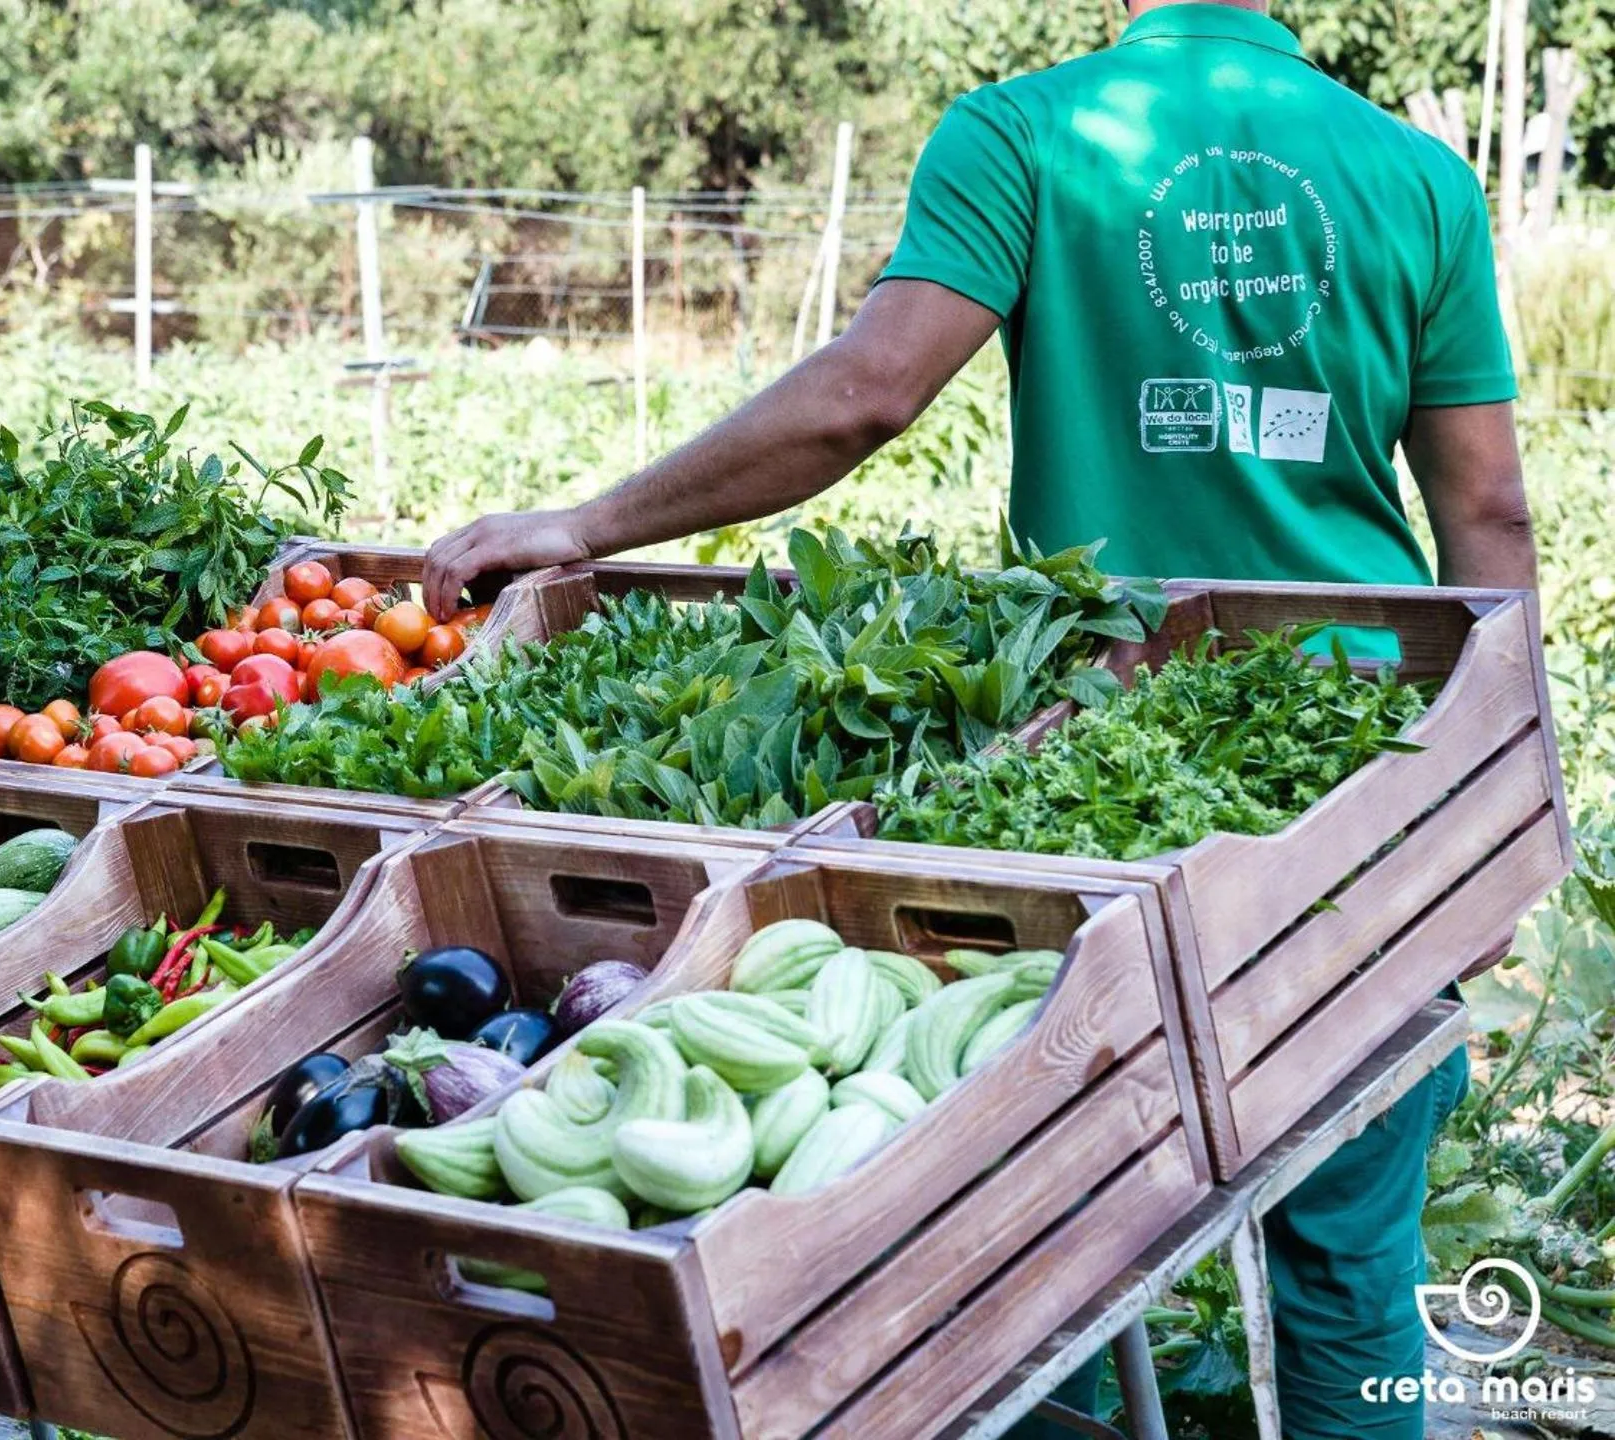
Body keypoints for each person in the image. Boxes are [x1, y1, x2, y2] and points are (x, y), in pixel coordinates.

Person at [422, 1, 1530, 1436]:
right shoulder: (1417, 174)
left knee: (1041, 1245)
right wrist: (1488, 804)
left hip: (1090, 775)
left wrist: (588, 521)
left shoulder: (1029, 129)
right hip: (1365, 766)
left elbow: (867, 396)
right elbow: (1488, 511)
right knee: (1351, 1260)